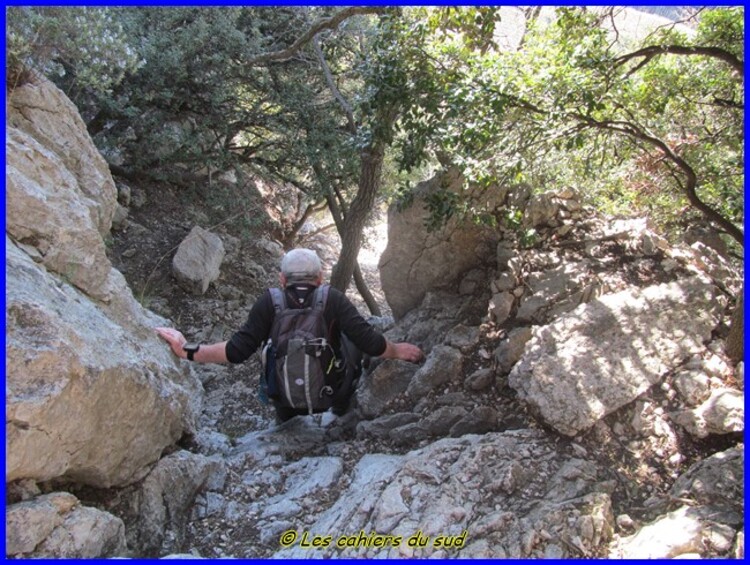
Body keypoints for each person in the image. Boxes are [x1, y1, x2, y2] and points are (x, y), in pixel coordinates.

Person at [156, 248, 424, 423]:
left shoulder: (268, 302)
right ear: (320, 278)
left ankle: (286, 421)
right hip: (329, 394)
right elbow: (370, 341)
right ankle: (340, 413)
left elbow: (236, 351)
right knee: (350, 336)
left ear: (282, 280)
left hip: (285, 398)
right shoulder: (333, 300)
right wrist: (399, 350)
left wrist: (186, 349)